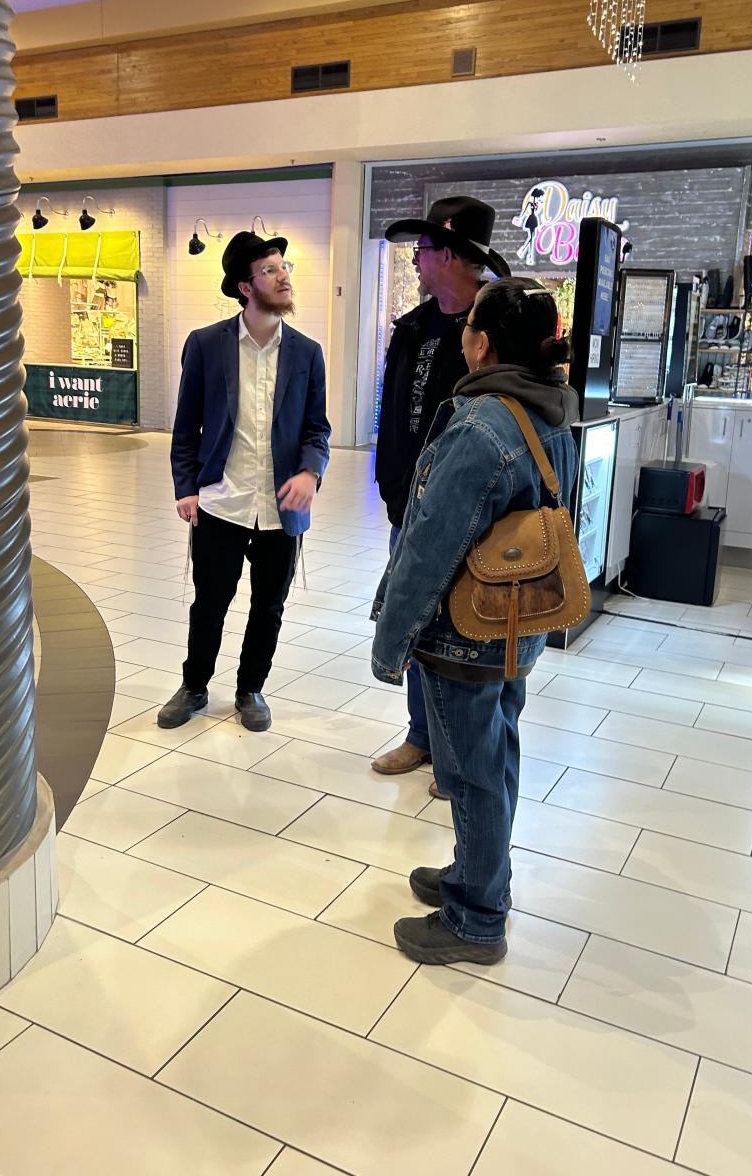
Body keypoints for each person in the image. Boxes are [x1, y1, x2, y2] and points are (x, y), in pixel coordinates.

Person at [371, 278, 578, 965]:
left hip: (466, 629)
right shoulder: (550, 408)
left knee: (469, 772)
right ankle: (478, 877)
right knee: (499, 748)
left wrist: (391, 639)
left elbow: (430, 543)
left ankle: (476, 919)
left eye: (466, 326)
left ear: (481, 343)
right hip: (518, 620)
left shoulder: (482, 423)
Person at [158, 230, 330, 734]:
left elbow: (318, 428)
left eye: (284, 267)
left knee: (268, 606)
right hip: (221, 500)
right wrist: (185, 485)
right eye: (271, 270)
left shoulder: (307, 352)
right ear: (244, 287)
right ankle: (194, 686)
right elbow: (186, 422)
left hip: (281, 508)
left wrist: (309, 471)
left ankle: (250, 688)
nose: (284, 277)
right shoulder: (207, 344)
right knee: (210, 601)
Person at [372, 196, 510, 796]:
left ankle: (463, 752)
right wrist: (389, 484)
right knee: (417, 616)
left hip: (477, 513)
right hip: (411, 503)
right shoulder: (413, 328)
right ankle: (421, 735)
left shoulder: (496, 329)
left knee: (468, 628)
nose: (416, 260)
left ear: (449, 254)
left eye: (423, 250)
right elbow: (395, 414)